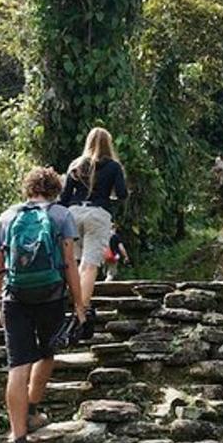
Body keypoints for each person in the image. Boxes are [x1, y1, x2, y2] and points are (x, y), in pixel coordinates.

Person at [0, 166, 84, 443]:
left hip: (15, 297)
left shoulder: (7, 217)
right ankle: (32, 408)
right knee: (48, 351)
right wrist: (79, 304)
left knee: (17, 366)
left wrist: (1, 303)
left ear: (27, 189)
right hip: (50, 295)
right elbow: (70, 263)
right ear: (55, 189)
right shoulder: (61, 215)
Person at [60, 127, 129, 323]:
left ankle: (72, 305)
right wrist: (110, 193)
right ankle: (81, 312)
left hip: (73, 214)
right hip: (97, 214)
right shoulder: (114, 167)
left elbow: (65, 197)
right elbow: (122, 194)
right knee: (90, 266)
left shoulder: (76, 165)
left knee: (74, 263)